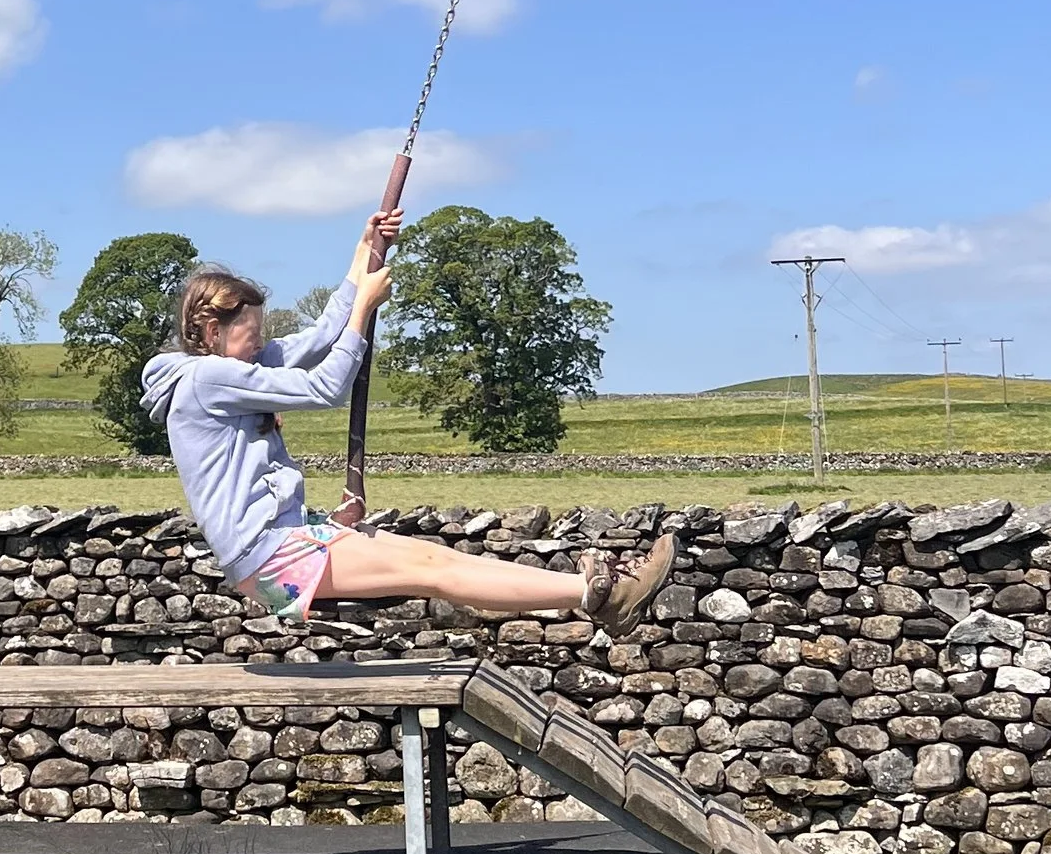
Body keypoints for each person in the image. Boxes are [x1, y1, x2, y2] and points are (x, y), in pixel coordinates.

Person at [141, 209, 673, 632]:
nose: (259, 344)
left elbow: (321, 336)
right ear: (210, 332)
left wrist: (363, 254)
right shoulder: (209, 379)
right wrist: (364, 310)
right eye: (248, 335)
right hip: (270, 561)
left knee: (431, 559)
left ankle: (593, 593)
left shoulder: (232, 368)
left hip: (276, 549)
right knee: (431, 572)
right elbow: (327, 386)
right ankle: (596, 597)